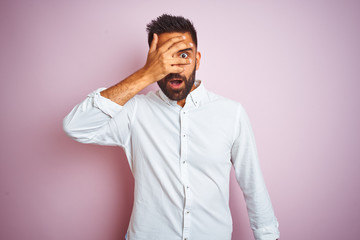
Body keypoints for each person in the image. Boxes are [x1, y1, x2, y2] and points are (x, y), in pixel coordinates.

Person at [63, 14, 280, 240]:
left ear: (197, 59)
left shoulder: (231, 113)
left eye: (183, 55)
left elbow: (253, 185)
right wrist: (145, 75)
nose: (174, 67)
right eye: (164, 58)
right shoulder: (134, 111)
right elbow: (75, 126)